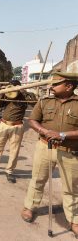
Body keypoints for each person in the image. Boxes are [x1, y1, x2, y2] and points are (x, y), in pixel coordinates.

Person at [21, 72, 78, 236]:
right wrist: (44, 131)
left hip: (70, 152)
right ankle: (30, 207)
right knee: (38, 179)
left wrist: (63, 135)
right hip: (45, 147)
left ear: (69, 86)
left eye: (55, 84)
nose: (51, 87)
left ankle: (74, 219)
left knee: (71, 187)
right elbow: (32, 120)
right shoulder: (45, 101)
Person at [0, 80, 31, 183]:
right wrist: (3, 92)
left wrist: (22, 91)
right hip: (4, 124)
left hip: (17, 126)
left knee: (14, 150)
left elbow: (33, 102)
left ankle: (10, 171)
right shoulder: (7, 95)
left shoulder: (24, 96)